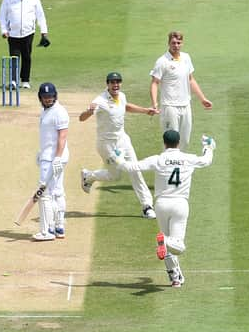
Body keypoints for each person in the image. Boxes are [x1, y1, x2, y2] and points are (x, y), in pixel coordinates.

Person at [122, 130, 216, 287]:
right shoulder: (188, 158)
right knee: (176, 244)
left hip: (161, 204)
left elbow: (132, 166)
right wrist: (209, 147)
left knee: (170, 245)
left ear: (164, 143)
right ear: (178, 143)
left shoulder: (158, 159)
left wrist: (117, 158)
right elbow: (207, 161)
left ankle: (175, 278)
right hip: (179, 204)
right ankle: (164, 241)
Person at [79, 72, 159, 219]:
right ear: (107, 84)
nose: (115, 85)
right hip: (107, 145)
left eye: (118, 82)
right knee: (115, 176)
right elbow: (81, 118)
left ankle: (147, 206)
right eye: (112, 82)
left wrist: (145, 111)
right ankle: (89, 176)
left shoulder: (121, 96)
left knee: (135, 170)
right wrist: (89, 112)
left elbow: (126, 107)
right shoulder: (100, 101)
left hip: (123, 140)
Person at [149, 31, 212, 150]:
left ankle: (179, 168)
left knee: (185, 142)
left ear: (182, 43)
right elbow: (154, 83)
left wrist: (202, 98)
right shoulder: (162, 61)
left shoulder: (186, 58)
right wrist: (154, 103)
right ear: (168, 43)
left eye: (179, 43)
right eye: (173, 43)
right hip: (170, 107)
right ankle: (168, 168)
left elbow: (191, 79)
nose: (176, 45)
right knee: (171, 143)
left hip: (185, 105)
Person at [0, 0, 49, 90]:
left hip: (28, 32)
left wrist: (44, 32)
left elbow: (40, 16)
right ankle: (13, 81)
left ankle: (25, 80)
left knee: (27, 56)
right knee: (14, 57)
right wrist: (3, 30)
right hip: (13, 33)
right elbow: (2, 16)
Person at [33, 82, 69, 241]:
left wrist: (57, 157)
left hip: (53, 159)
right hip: (48, 156)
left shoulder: (59, 112)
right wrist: (41, 153)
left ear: (55, 96)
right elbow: (48, 137)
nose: (48, 99)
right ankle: (59, 227)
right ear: (40, 98)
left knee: (44, 194)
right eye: (45, 97)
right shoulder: (45, 111)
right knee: (57, 191)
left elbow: (62, 136)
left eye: (51, 96)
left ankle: (46, 231)